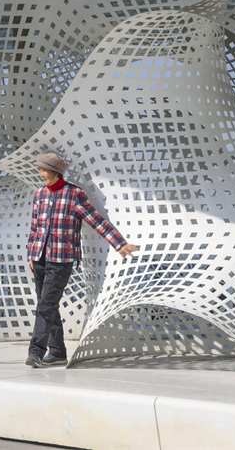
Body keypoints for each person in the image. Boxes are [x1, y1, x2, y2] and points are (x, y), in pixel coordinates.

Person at [26, 152, 139, 367]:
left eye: (44, 170)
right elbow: (35, 229)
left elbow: (96, 220)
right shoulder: (39, 195)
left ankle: (35, 352)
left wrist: (119, 243)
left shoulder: (74, 194)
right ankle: (57, 351)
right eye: (40, 170)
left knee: (46, 305)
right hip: (39, 257)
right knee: (47, 306)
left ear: (56, 172)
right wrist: (31, 255)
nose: (41, 174)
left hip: (61, 259)